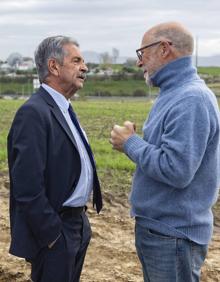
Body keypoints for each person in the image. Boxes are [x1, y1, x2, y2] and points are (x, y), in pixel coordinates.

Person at [110, 22, 220, 282]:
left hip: (173, 234)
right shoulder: (175, 93)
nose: (139, 63)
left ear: (164, 49)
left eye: (142, 53)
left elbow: (177, 170)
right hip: (164, 231)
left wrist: (131, 143)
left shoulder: (190, 99)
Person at [7, 35, 102, 282]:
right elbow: (27, 187)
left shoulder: (64, 109)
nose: (85, 67)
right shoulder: (34, 113)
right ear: (54, 66)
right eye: (77, 60)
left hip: (77, 224)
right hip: (57, 231)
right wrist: (52, 235)